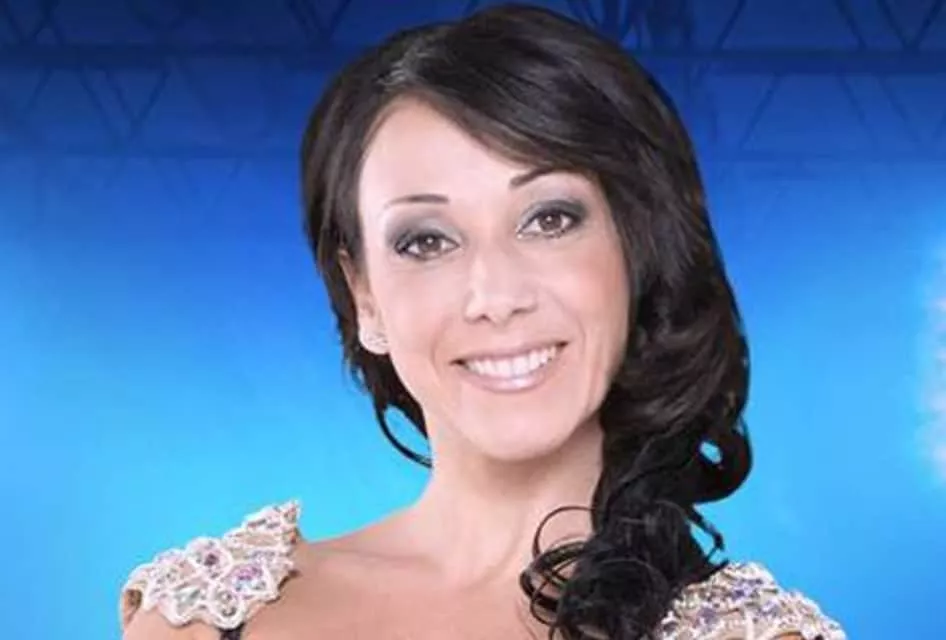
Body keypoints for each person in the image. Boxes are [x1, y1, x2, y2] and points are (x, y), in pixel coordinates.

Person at [119, 4, 846, 639]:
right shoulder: (208, 617)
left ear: (635, 251)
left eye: (548, 219)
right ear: (363, 295)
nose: (495, 295)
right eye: (426, 241)